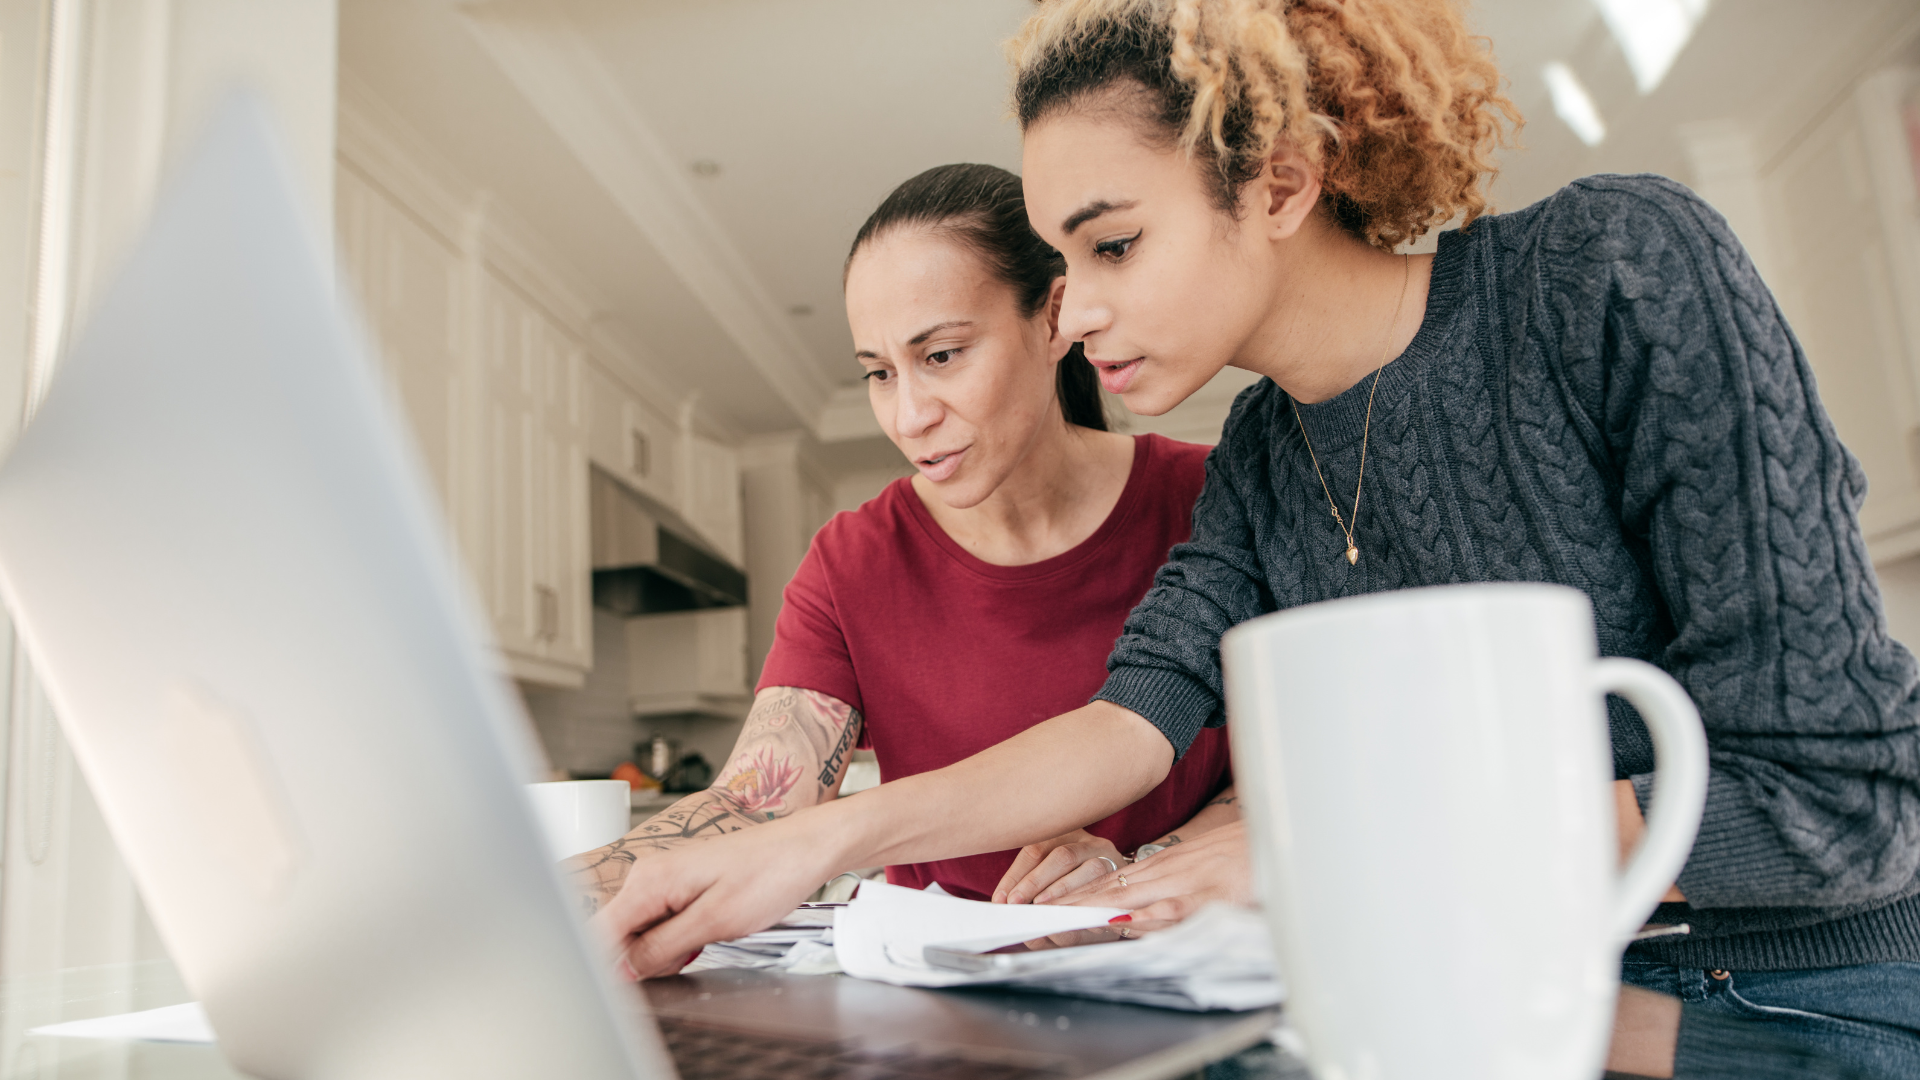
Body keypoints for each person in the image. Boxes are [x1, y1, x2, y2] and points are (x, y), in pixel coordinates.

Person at [593, 2, 1920, 1075]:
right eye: (1066, 268)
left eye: (1114, 247)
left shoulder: (1613, 272)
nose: (1080, 318)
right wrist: (816, 839)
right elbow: (1131, 721)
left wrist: (1315, 858)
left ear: (1279, 180)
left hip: (1802, 996)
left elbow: (1840, 802)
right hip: (1501, 990)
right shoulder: (1267, 461)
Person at [562, 162, 1236, 911]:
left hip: (1182, 961)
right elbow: (753, 805)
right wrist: (528, 897)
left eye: (941, 356)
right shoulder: (852, 562)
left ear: (1053, 319)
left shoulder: (1214, 500)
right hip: (936, 993)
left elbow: (1293, 777)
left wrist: (1143, 865)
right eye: (879, 373)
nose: (908, 417)